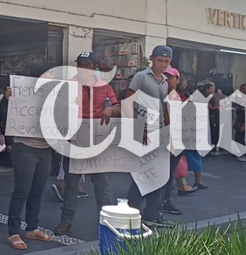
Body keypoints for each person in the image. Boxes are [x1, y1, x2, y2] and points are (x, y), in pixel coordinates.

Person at [53, 52, 119, 236]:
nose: (81, 68)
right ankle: (66, 221)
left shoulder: (104, 85)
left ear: (95, 68)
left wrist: (110, 109)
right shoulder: (69, 84)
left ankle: (106, 221)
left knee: (101, 183)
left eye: (86, 64)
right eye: (79, 64)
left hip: (97, 140)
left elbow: (117, 106)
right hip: (74, 140)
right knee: (71, 184)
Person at [4, 63, 55, 250]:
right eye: (49, 74)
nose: (52, 77)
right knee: (22, 190)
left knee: (37, 190)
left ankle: (32, 227)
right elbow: (13, 112)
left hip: (45, 149)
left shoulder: (55, 95)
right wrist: (10, 97)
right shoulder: (22, 93)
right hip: (24, 147)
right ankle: (13, 231)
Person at [126, 46, 174, 228]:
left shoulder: (165, 82)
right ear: (152, 59)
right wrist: (137, 129)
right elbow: (128, 103)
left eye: (166, 61)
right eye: (160, 60)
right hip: (142, 133)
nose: (163, 64)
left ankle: (152, 214)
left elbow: (165, 109)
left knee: (158, 175)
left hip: (159, 133)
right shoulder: (141, 77)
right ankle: (131, 214)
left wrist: (169, 134)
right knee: (141, 174)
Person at [161, 67, 193, 215]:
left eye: (170, 77)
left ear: (177, 80)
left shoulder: (179, 96)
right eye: (165, 77)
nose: (167, 80)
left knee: (169, 173)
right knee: (162, 174)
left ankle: (165, 201)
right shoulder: (160, 95)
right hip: (164, 140)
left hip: (176, 140)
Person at [234, 83, 246, 162]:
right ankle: (241, 153)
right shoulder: (241, 104)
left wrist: (244, 126)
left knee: (245, 140)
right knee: (238, 139)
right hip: (240, 123)